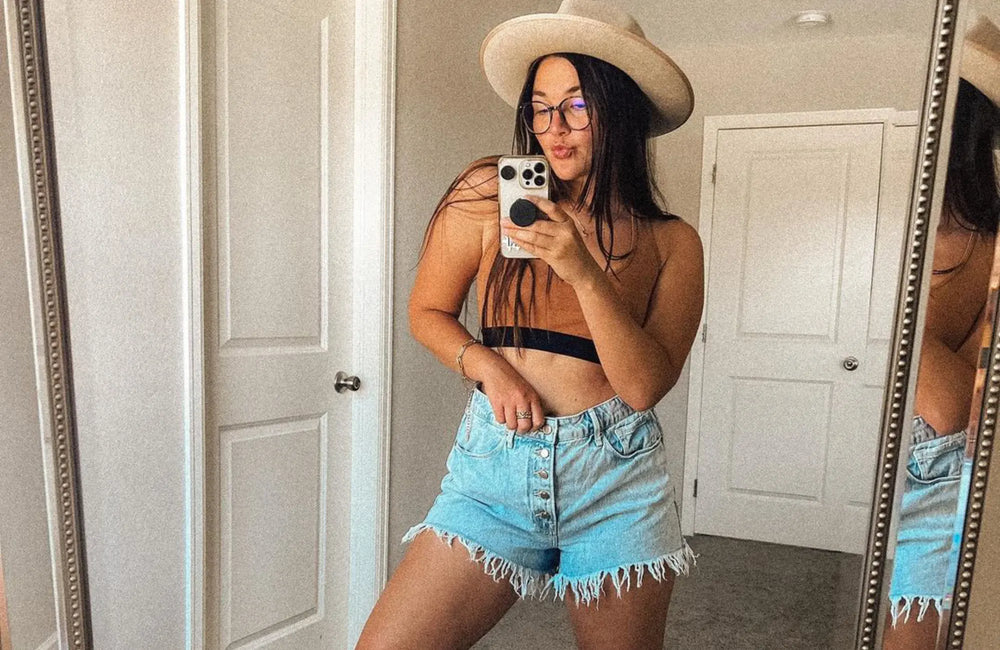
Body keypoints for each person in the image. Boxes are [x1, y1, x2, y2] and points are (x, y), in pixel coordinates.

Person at [355, 1, 703, 648]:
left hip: (616, 478)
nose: (555, 127)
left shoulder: (671, 242)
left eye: (577, 104)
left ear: (619, 112)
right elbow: (427, 312)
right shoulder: (489, 192)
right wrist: (486, 366)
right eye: (540, 107)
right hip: (494, 469)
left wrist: (582, 269)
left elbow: (642, 387)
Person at [884, 10, 1000, 649]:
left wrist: (895, 308)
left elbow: (954, 406)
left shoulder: (990, 248)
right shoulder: (909, 228)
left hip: (943, 486)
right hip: (884, 467)